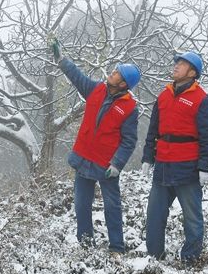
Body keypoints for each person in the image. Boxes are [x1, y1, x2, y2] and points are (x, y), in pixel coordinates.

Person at [49, 37, 140, 253]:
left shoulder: (129, 108)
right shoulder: (96, 89)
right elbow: (77, 77)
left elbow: (129, 141)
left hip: (106, 166)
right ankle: (86, 245)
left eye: (117, 73)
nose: (112, 73)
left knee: (112, 206)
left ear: (124, 83)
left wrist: (117, 165)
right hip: (83, 159)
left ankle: (117, 247)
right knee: (81, 206)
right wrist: (61, 59)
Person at [141, 51, 208, 263]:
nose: (175, 66)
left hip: (188, 168)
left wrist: (205, 167)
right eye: (176, 63)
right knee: (154, 215)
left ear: (193, 72)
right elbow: (153, 130)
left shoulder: (202, 100)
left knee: (192, 218)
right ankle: (154, 257)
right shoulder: (163, 96)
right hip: (163, 165)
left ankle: (190, 259)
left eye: (182, 64)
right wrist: (148, 157)